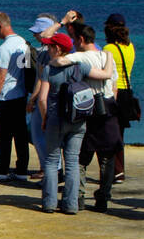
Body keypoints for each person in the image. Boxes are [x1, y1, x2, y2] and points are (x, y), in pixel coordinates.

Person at [47, 22, 120, 211]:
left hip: (85, 108)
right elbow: (113, 83)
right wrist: (109, 55)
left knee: (80, 157)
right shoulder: (106, 56)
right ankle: (103, 197)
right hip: (108, 105)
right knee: (107, 156)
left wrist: (51, 64)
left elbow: (60, 61)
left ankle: (77, 197)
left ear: (80, 39)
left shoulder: (79, 57)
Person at [34, 33, 88, 214]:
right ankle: (71, 205)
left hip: (56, 119)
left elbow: (42, 99)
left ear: (58, 49)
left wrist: (44, 118)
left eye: (50, 47)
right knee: (72, 161)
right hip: (78, 118)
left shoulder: (49, 69)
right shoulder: (80, 67)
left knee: (51, 161)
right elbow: (104, 74)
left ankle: (49, 203)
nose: (47, 50)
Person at [0, 12, 30, 182]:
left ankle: (1, 169)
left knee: (3, 135)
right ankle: (22, 169)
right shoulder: (24, 43)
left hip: (6, 97)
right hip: (21, 94)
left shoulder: (4, 48)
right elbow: (26, 69)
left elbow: (1, 76)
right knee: (20, 134)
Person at [24, 14, 60, 182]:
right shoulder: (52, 50)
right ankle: (49, 167)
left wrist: (32, 99)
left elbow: (40, 78)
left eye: (38, 32)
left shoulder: (45, 53)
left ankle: (48, 168)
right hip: (51, 97)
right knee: (44, 133)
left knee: (38, 133)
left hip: (43, 98)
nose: (35, 35)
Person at [103, 13, 135, 183]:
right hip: (128, 92)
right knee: (120, 133)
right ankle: (119, 170)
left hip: (115, 91)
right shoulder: (130, 47)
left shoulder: (109, 49)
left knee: (110, 133)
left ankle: (114, 170)